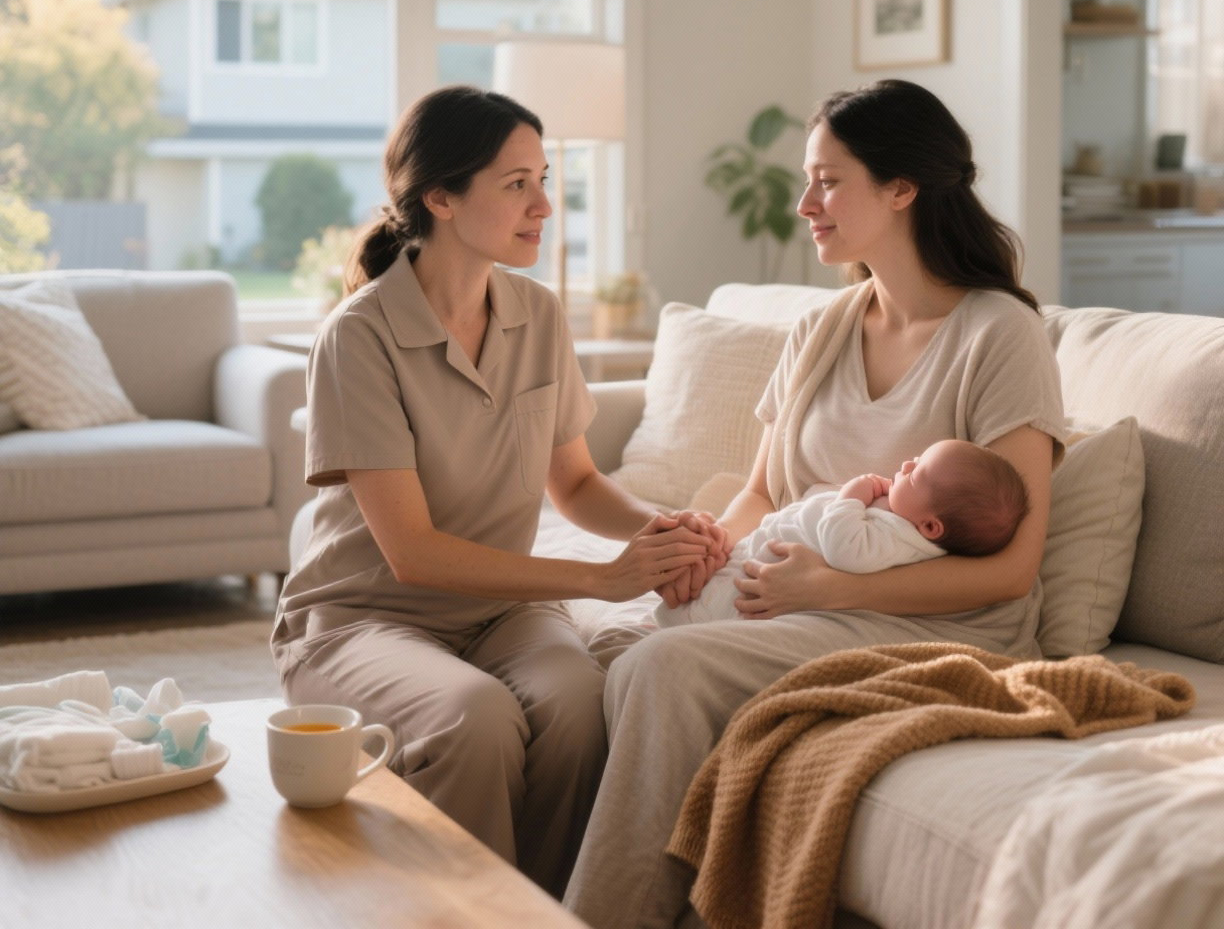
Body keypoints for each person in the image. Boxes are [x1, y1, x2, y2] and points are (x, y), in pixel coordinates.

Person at [564, 78, 1066, 929]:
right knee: (600, 651)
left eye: (829, 181)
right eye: (809, 180)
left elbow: (1013, 572)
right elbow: (763, 491)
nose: (806, 204)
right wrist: (709, 554)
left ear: (901, 188)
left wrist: (830, 590)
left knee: (658, 666)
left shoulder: (998, 334)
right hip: (797, 599)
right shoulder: (821, 328)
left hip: (934, 622)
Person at [270, 85, 722, 900]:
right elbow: (412, 555)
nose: (545, 205)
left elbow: (578, 485)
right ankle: (456, 914)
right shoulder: (359, 337)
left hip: (498, 613)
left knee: (582, 704)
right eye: (516, 183)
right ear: (440, 197)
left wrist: (666, 528)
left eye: (544, 179)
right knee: (473, 719)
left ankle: (546, 909)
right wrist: (600, 578)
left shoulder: (537, 313)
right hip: (362, 618)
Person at [655, 439, 1030, 628]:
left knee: (721, 601)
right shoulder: (905, 520)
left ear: (931, 526)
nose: (907, 463)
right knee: (713, 581)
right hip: (766, 543)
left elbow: (844, 549)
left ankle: (680, 623)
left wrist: (852, 496)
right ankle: (675, 616)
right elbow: (763, 494)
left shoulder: (903, 540)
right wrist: (716, 539)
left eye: (917, 473)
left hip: (773, 578)